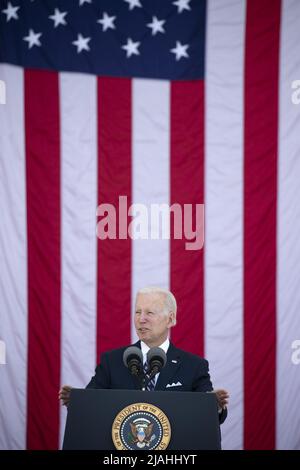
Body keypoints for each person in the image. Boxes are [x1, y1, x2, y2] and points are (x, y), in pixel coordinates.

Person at [59, 286, 229, 424]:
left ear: (170, 319)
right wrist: (78, 402)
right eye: (138, 312)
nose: (141, 319)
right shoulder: (112, 361)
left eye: (150, 313)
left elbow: (210, 416)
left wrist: (215, 406)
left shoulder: (194, 366)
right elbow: (92, 406)